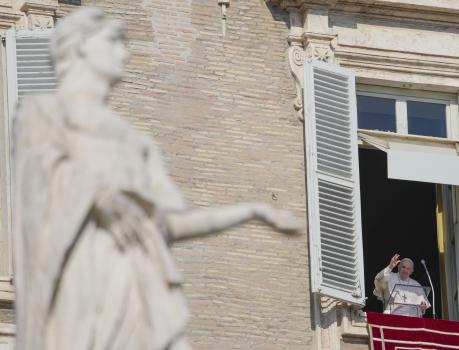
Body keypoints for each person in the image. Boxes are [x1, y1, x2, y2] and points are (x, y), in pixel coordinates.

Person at [13, 8, 301, 350]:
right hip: (81, 293)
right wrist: (97, 197)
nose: (125, 52)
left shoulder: (136, 144)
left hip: (137, 298)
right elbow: (35, 187)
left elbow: (168, 225)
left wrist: (252, 212)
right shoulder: (42, 114)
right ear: (81, 47)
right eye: (114, 42)